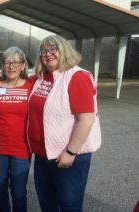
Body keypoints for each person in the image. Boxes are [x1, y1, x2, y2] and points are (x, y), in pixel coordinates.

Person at [27, 35, 101, 212]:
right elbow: (12, 77)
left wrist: (70, 151)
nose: (48, 54)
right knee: (48, 204)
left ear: (64, 51)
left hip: (67, 156)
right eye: (44, 51)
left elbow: (86, 119)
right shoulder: (39, 78)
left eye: (53, 49)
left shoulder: (77, 77)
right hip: (42, 155)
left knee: (69, 205)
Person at [0, 47, 33, 212]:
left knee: (19, 192)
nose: (11, 66)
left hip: (22, 148)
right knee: (0, 188)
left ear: (23, 66)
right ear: (2, 65)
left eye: (16, 62)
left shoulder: (30, 85)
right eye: (7, 62)